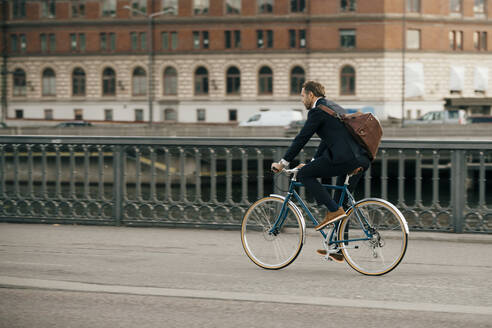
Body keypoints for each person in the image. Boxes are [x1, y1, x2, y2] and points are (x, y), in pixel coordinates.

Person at [271, 81, 371, 262]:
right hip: (362, 157)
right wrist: (313, 162)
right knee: (343, 201)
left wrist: (283, 162)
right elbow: (329, 139)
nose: (302, 100)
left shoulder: (317, 111)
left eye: (302, 96)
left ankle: (332, 211)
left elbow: (302, 138)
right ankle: (340, 247)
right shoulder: (332, 107)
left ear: (311, 95)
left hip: (345, 158)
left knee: (304, 175)